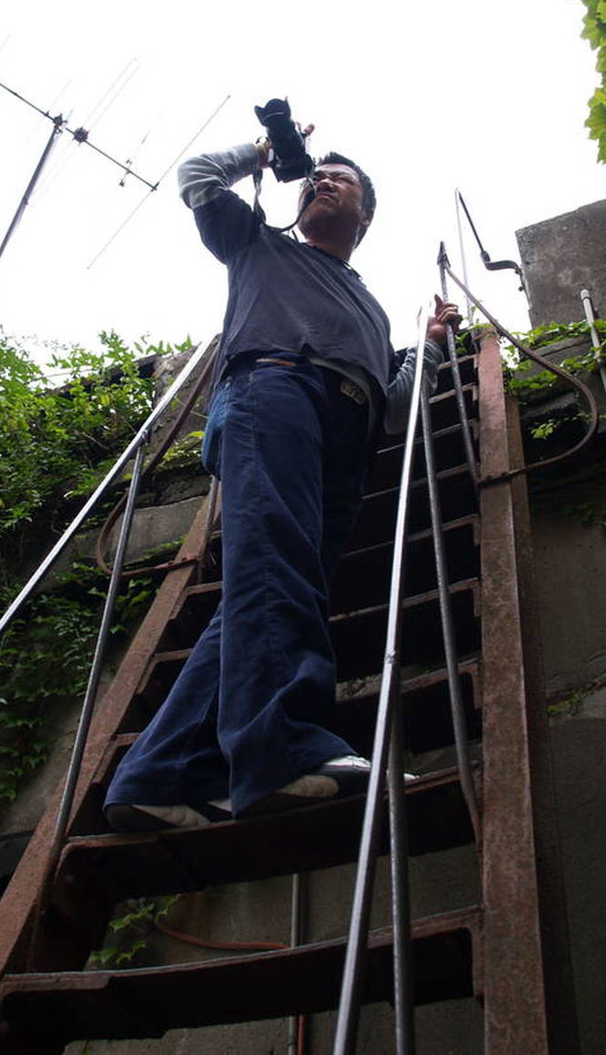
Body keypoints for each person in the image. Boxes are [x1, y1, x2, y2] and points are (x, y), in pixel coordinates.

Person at [103, 124, 460, 832]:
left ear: (366, 214)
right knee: (276, 571)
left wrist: (431, 349)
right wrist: (263, 154)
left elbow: (392, 409)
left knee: (268, 585)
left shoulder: (371, 307)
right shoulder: (259, 245)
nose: (321, 181)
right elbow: (197, 176)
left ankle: (158, 771)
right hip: (276, 390)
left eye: (340, 179)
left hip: (344, 445)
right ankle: (281, 749)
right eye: (315, 176)